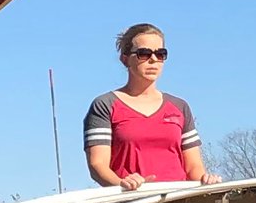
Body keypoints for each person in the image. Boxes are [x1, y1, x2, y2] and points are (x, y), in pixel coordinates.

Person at [83, 23, 220, 190]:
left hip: (178, 202)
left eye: (160, 54)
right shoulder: (105, 105)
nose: (153, 59)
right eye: (144, 54)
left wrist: (206, 180)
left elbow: (193, 167)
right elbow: (98, 165)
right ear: (125, 59)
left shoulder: (180, 107)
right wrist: (123, 184)